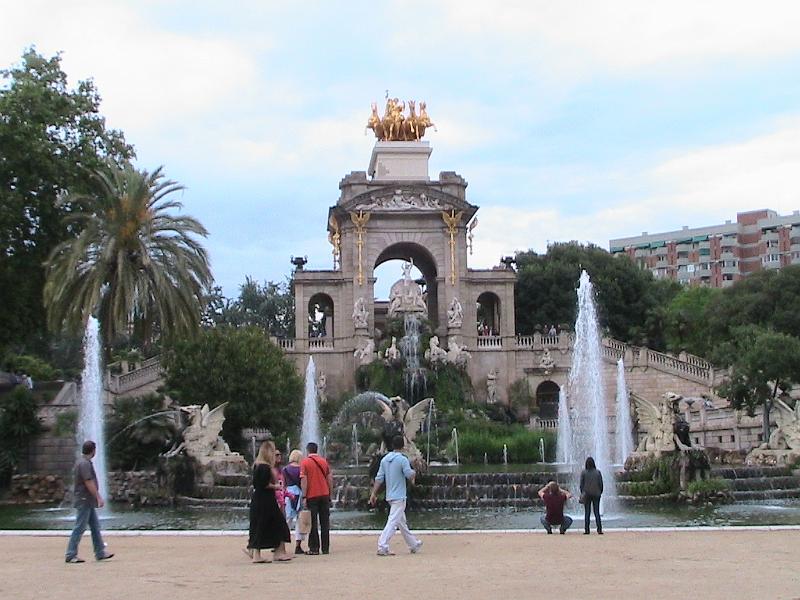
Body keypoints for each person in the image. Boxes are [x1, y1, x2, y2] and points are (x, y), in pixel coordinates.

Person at [369, 435, 423, 556]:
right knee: (393, 521)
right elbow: (409, 474)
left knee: (401, 522)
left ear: (392, 445)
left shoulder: (385, 459)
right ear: (403, 446)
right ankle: (382, 545)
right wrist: (414, 470)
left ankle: (413, 544)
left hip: (390, 495)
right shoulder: (402, 459)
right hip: (399, 496)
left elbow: (379, 478)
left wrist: (374, 493)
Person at [65, 440, 114, 563]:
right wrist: (98, 496)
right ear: (93, 451)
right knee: (80, 527)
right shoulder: (84, 464)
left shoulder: (82, 462)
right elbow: (88, 481)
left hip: (87, 500)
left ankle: (100, 552)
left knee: (95, 526)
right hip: (84, 499)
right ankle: (71, 554)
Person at [245, 441, 293, 563]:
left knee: (259, 525)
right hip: (266, 500)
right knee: (279, 524)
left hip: (259, 499)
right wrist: (276, 486)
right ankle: (279, 552)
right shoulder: (265, 467)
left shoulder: (257, 465)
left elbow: (257, 484)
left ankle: (257, 553)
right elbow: (264, 484)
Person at [300, 442, 333, 555]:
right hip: (324, 494)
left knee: (313, 522)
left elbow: (304, 480)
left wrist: (304, 496)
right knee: (325, 522)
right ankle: (325, 548)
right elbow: (330, 479)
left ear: (307, 450)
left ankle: (314, 548)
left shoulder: (305, 462)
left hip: (312, 495)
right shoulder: (324, 461)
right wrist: (330, 493)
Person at [282, 449, 306, 554]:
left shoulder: (285, 469)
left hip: (289, 494)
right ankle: (298, 545)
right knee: (299, 521)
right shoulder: (301, 469)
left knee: (287, 520)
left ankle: (280, 543)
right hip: (299, 494)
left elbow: (283, 484)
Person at [580, 456, 603, 535]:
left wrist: (582, 492)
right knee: (597, 512)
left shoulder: (584, 472)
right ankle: (599, 529)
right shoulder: (598, 472)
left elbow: (581, 484)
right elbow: (601, 484)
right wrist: (600, 492)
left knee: (587, 513)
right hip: (596, 494)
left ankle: (587, 530)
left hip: (587, 494)